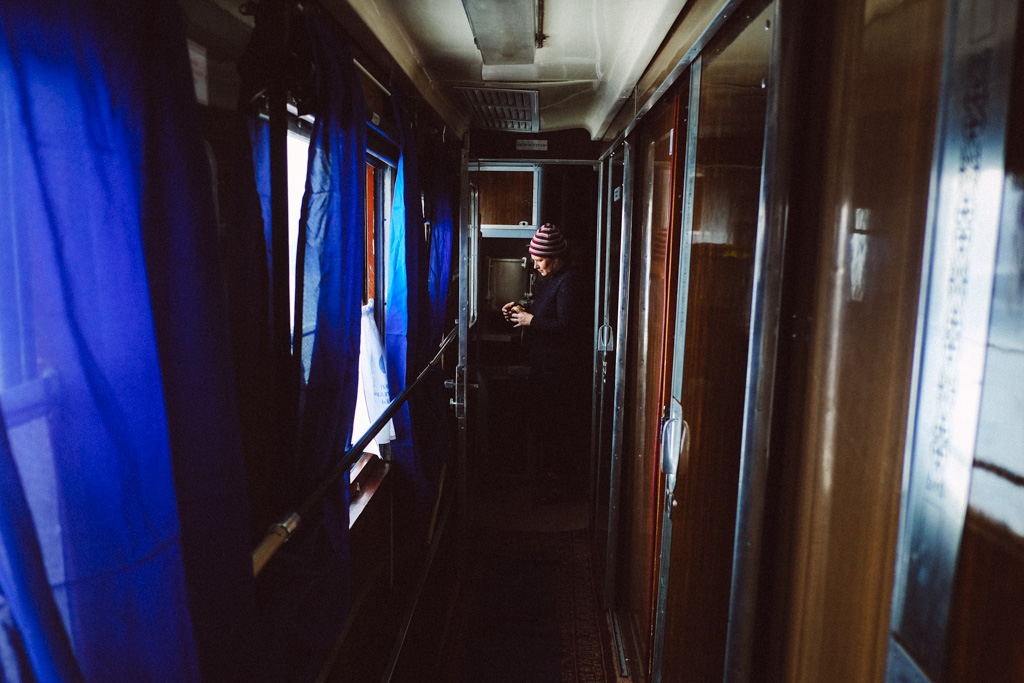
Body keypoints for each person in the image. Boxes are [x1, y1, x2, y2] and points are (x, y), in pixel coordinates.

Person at [502, 223, 588, 501]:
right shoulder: (551, 279)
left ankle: (558, 492)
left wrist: (532, 320)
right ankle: (547, 485)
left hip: (559, 373)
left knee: (556, 432)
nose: (535, 265)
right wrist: (521, 312)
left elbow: (567, 326)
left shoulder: (569, 281)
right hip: (544, 368)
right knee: (544, 428)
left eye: (540, 260)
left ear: (555, 257)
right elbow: (545, 314)